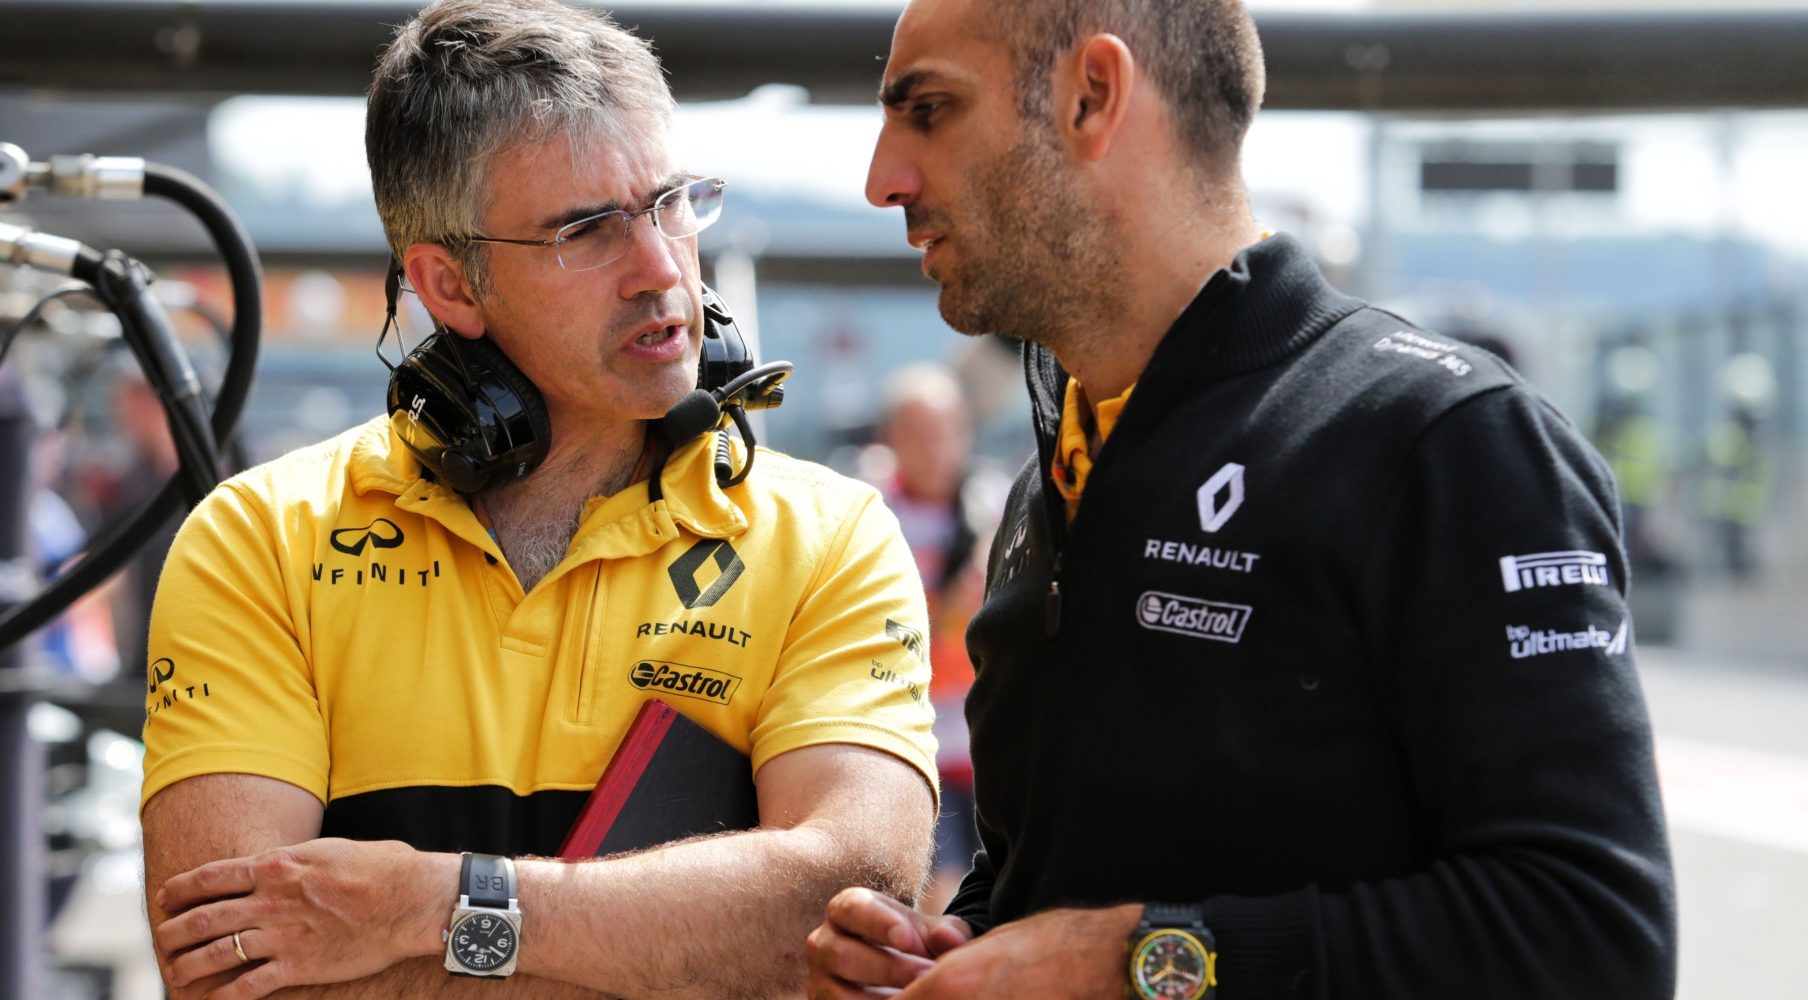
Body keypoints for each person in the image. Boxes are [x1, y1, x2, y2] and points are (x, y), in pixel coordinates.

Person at [807, 1, 1676, 998]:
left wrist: (1142, 963)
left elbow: (1594, 939)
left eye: (929, 109)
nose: (883, 179)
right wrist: (947, 950)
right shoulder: (1048, 481)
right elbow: (1054, 875)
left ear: (1093, 96)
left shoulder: (1445, 437)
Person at [139, 2, 938, 998]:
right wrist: (686, 942)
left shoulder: (830, 538)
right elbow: (233, 967)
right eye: (586, 230)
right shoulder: (260, 541)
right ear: (451, 285)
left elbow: (845, 901)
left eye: (671, 203)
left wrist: (421, 908)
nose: (661, 270)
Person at [863, 363, 1005, 912]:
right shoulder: (867, 509)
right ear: (891, 438)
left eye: (945, 430)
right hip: (906, 742)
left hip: (984, 744)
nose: (934, 448)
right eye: (918, 433)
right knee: (933, 900)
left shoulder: (994, 507)